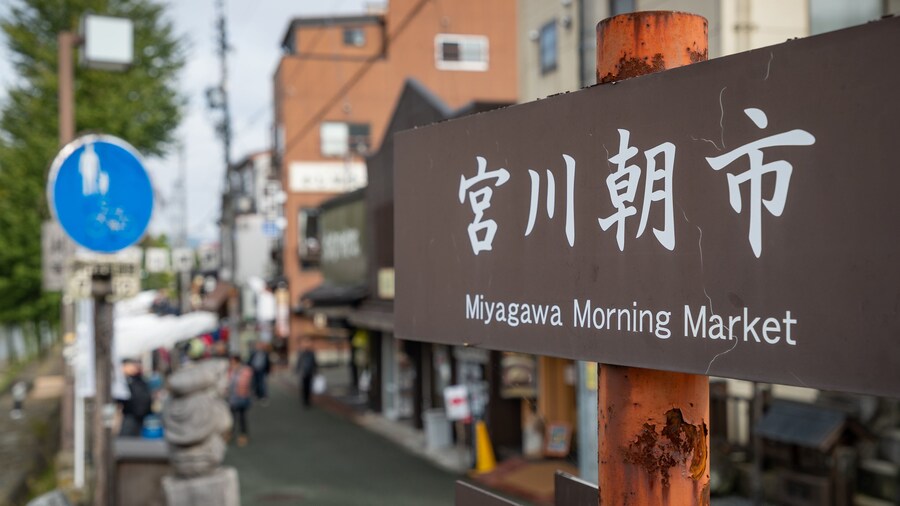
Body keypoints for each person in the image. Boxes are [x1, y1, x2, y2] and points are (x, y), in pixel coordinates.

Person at [120, 359, 152, 436]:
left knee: (128, 435)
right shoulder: (137, 380)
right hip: (134, 413)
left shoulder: (134, 380)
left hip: (133, 413)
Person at [227, 353, 253, 446]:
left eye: (234, 362)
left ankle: (243, 435)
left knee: (242, 418)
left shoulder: (246, 371)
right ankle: (230, 433)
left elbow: (244, 383)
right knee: (231, 418)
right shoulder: (230, 371)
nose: (232, 364)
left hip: (242, 398)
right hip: (232, 398)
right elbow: (227, 383)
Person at [295, 339, 318, 408]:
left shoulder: (311, 353)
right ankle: (304, 400)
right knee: (304, 387)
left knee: (309, 387)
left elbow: (314, 362)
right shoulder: (301, 353)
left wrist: (316, 370)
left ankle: (308, 400)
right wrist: (297, 370)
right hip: (303, 372)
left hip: (310, 372)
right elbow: (299, 362)